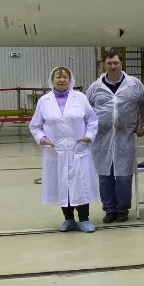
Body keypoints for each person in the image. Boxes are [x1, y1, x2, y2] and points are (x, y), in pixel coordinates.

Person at [29, 66, 99, 232]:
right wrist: (43, 139)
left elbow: (93, 121)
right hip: (56, 151)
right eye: (58, 77)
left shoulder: (80, 98)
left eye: (65, 77)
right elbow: (35, 126)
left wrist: (88, 136)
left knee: (80, 184)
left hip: (78, 148)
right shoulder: (44, 101)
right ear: (52, 80)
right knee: (62, 184)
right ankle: (68, 219)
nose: (61, 80)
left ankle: (84, 219)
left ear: (70, 79)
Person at [86, 51, 144, 224]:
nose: (113, 66)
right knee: (105, 175)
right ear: (104, 65)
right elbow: (86, 110)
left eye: (116, 63)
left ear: (121, 64)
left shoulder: (134, 84)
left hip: (125, 136)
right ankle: (109, 209)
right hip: (101, 139)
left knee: (124, 176)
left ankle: (122, 209)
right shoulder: (95, 87)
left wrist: (143, 124)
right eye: (109, 63)